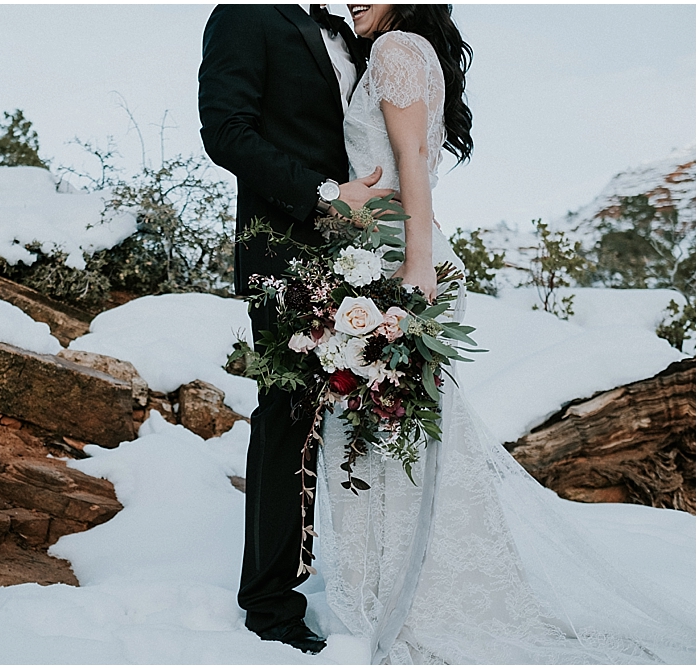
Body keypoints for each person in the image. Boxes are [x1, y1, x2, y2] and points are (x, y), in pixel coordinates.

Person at [314, 4, 696, 663]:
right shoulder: (411, 50)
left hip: (401, 262)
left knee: (388, 440)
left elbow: (409, 160)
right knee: (404, 442)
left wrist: (415, 266)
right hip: (400, 256)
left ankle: (396, 600)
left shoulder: (395, 51)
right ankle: (410, 592)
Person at [198, 4, 387, 655]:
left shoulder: (356, 31)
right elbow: (225, 131)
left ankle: (374, 576)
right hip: (285, 252)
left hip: (372, 261)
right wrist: (326, 194)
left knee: (381, 412)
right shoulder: (243, 15)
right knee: (289, 413)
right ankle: (271, 601)